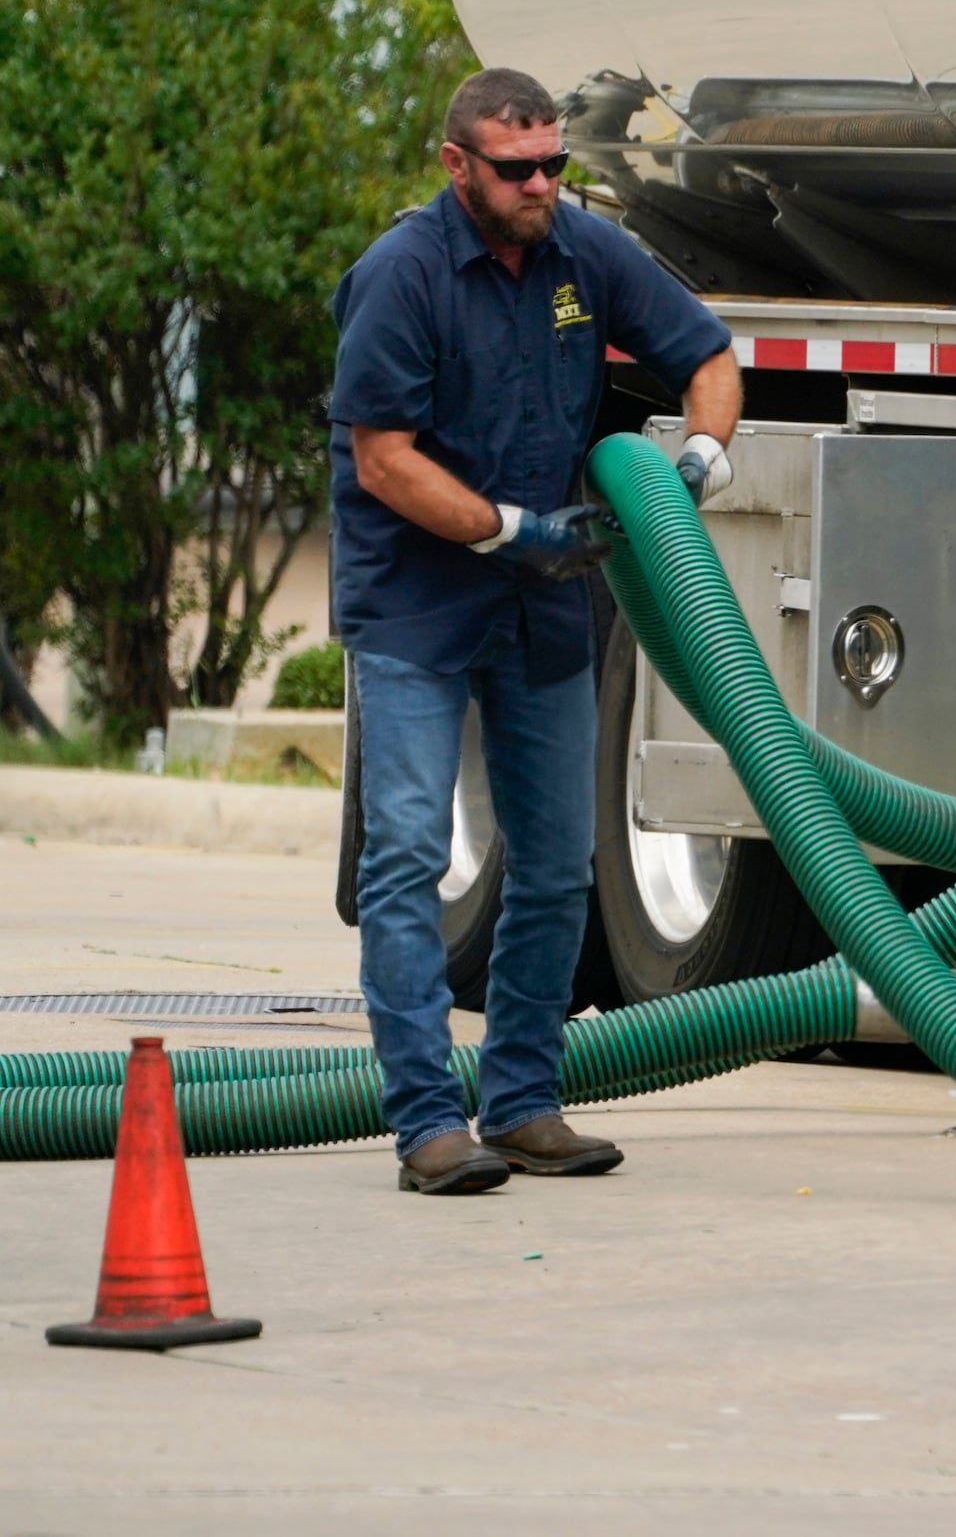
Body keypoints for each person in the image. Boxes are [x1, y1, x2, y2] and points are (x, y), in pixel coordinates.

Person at [329, 67, 741, 1194]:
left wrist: (700, 459)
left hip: (543, 599)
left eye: (557, 163)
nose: (543, 185)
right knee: (409, 854)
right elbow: (383, 458)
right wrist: (507, 526)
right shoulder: (402, 276)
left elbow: (708, 356)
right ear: (458, 164)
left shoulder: (583, 254)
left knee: (559, 864)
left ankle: (520, 1102)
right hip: (418, 605)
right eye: (519, 168)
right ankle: (425, 1121)